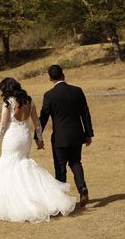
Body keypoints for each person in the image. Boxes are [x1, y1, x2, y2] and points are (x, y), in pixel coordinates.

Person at [0, 78, 77, 223]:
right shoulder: (29, 100)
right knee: (23, 164)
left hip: (13, 137)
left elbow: (3, 125)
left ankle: (9, 202)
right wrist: (39, 140)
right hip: (25, 137)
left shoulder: (8, 103)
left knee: (7, 165)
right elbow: (37, 123)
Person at [38, 64, 94, 207]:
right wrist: (88, 134)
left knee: (60, 167)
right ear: (63, 75)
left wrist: (37, 135)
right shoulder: (77, 91)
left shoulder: (49, 95)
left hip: (60, 138)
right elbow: (85, 113)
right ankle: (83, 188)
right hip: (76, 135)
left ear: (50, 78)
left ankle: (62, 199)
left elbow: (43, 117)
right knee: (76, 162)